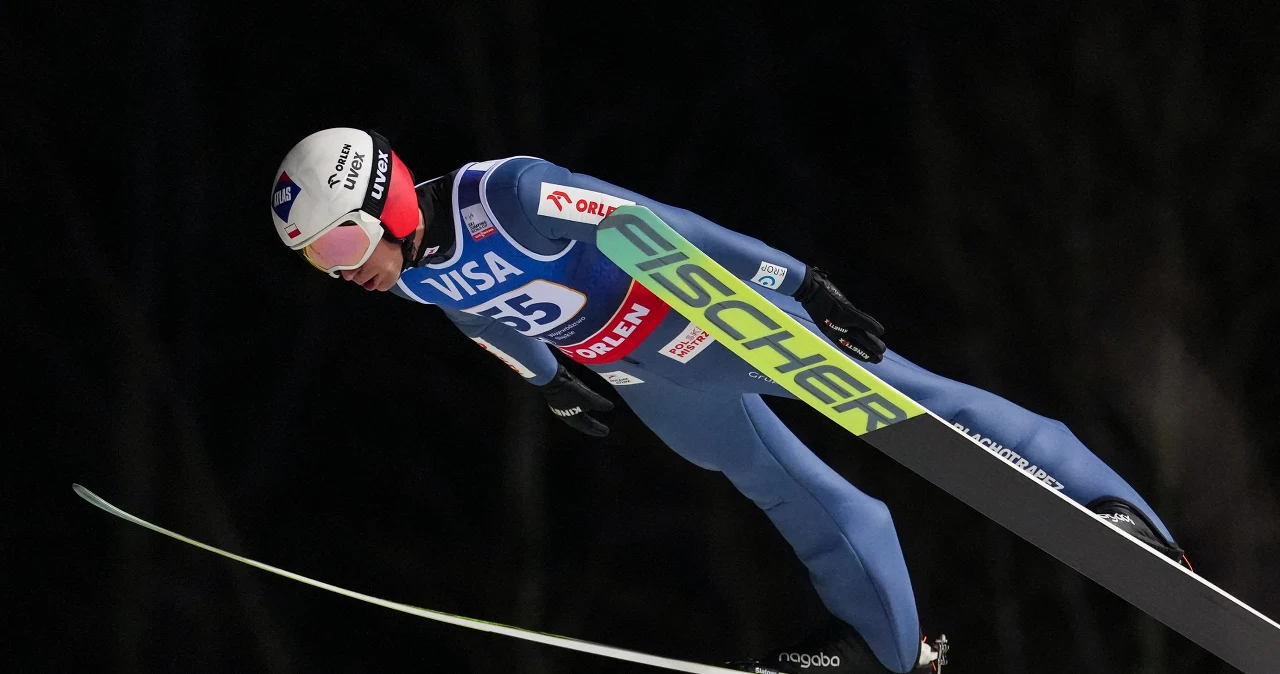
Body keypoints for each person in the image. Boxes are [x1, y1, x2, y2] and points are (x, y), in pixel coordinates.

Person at [269, 128, 1186, 674]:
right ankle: (888, 650)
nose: (343, 273)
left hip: (707, 319)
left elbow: (653, 222)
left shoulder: (505, 195)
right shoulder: (411, 281)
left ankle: (1110, 507)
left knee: (917, 402)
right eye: (319, 262)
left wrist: (795, 278)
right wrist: (550, 384)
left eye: (341, 248)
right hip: (649, 377)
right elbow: (481, 319)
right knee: (786, 491)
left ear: (384, 202)